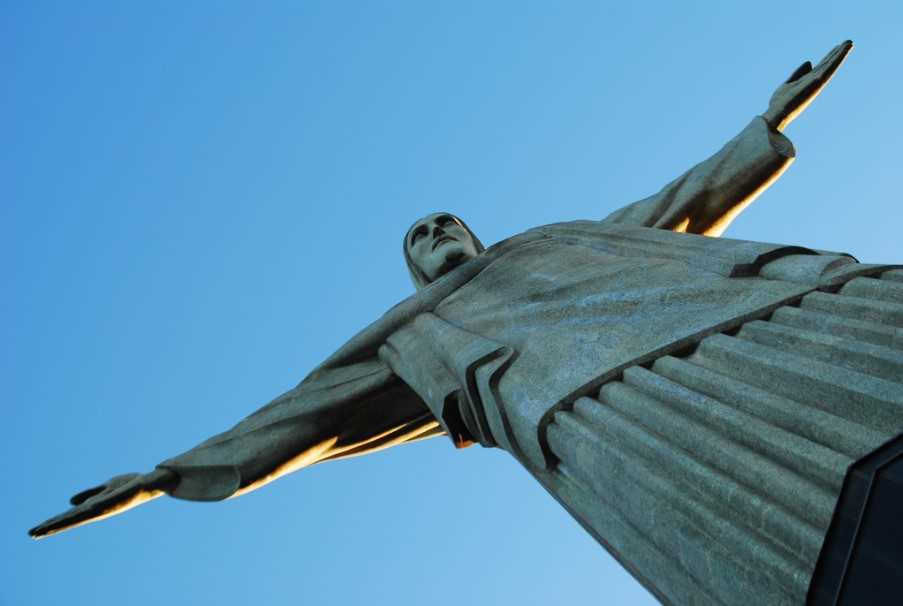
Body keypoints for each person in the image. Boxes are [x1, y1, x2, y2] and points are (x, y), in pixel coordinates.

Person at [30, 45, 868, 601]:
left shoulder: (559, 239)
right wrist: (165, 475)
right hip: (608, 412)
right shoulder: (411, 332)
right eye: (420, 236)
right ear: (414, 267)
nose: (438, 236)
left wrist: (766, 125)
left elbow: (679, 203)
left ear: (472, 232)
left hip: (750, 322)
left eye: (446, 223)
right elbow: (299, 415)